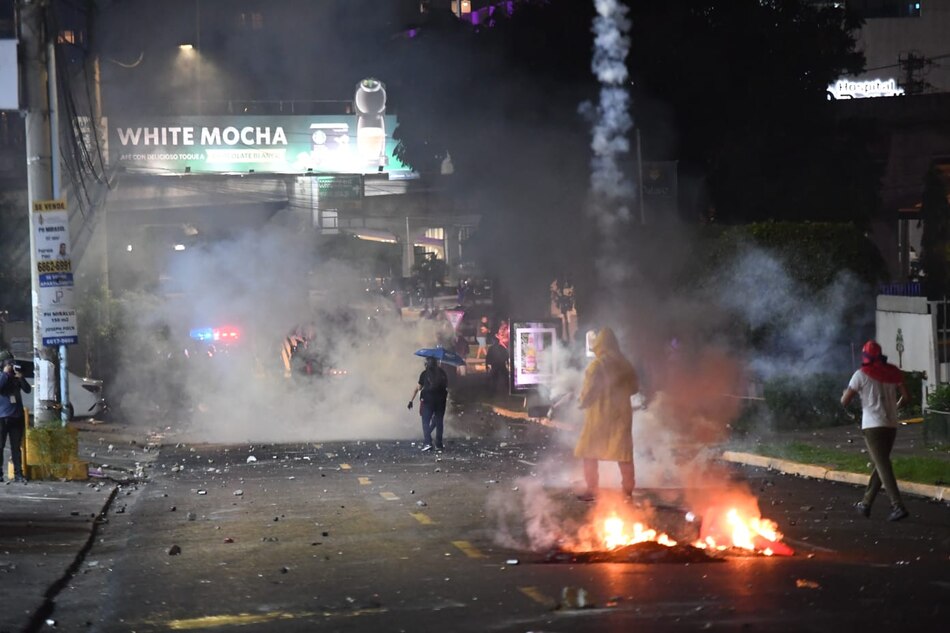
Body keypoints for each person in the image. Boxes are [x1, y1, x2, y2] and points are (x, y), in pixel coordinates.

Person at [841, 340, 910, 521]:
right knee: (881, 464)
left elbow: (845, 401)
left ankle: (898, 506)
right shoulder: (893, 371)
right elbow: (907, 396)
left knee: (883, 465)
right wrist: (895, 407)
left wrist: (846, 394)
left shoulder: (860, 374)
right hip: (891, 425)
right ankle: (865, 504)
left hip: (872, 426)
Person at [574, 327, 639, 501]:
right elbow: (634, 388)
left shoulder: (596, 365)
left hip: (598, 417)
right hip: (621, 416)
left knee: (589, 452)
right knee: (624, 454)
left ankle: (592, 489)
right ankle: (627, 492)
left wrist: (581, 403)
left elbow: (587, 393)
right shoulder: (625, 364)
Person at [0, 358, 32, 483]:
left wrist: (21, 377)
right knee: (0, 446)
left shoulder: (16, 378)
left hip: (16, 417)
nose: (12, 367)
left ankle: (18, 474)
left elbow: (27, 389)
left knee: (16, 447)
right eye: (10, 365)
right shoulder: (2, 377)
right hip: (2, 417)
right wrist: (5, 374)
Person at [408, 356, 449, 451]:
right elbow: (446, 386)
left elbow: (418, 388)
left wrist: (411, 400)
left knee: (425, 421)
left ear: (427, 364)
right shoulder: (443, 373)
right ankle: (439, 444)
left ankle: (428, 443)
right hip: (441, 401)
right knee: (439, 422)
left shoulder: (424, 373)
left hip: (428, 401)